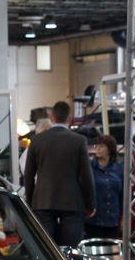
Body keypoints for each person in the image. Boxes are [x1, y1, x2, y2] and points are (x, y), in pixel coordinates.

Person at [20, 99, 95, 250]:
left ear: (51, 118)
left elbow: (28, 175)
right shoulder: (79, 140)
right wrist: (90, 204)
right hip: (72, 203)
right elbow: (86, 176)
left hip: (43, 202)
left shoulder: (36, 140)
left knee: (46, 249)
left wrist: (31, 201)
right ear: (70, 119)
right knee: (70, 250)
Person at [86, 134, 124, 240]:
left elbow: (123, 196)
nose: (97, 149)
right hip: (93, 220)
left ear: (110, 149)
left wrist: (123, 218)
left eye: (102, 146)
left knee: (111, 246)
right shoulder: (89, 167)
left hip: (112, 219)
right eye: (96, 146)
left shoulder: (119, 168)